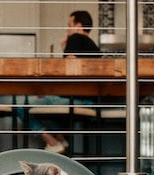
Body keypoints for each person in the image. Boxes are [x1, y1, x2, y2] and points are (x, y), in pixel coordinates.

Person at [22, 10, 101, 153]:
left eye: (69, 25)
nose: (67, 28)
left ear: (78, 26)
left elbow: (68, 70)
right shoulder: (95, 48)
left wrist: (65, 49)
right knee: (51, 108)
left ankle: (52, 142)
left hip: (74, 101)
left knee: (21, 106)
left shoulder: (75, 38)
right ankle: (60, 139)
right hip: (91, 101)